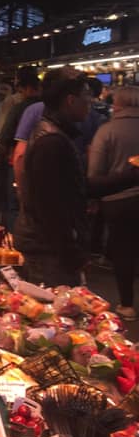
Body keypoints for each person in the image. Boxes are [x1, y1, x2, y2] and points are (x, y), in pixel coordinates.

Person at [14, 68, 92, 287]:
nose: (90, 103)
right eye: (86, 97)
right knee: (54, 306)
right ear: (70, 100)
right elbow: (49, 208)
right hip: (48, 251)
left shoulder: (52, 133)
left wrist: (130, 176)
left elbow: (75, 187)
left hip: (47, 246)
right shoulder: (52, 142)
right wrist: (73, 254)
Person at [87, 85, 139, 319]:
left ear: (118, 104)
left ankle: (127, 304)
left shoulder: (107, 130)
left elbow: (95, 172)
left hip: (118, 201)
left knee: (123, 250)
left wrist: (93, 198)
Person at [0, 67, 40, 228]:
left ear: (25, 87)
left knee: (12, 203)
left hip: (16, 160)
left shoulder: (20, 106)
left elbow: (5, 134)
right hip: (40, 163)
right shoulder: (48, 106)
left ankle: (11, 236)